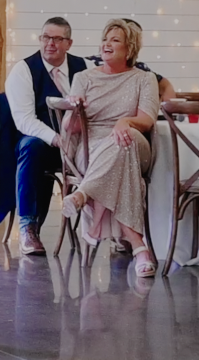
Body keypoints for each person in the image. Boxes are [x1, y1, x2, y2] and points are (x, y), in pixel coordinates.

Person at [60, 19, 160, 278]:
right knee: (119, 151)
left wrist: (124, 122)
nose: (106, 44)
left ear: (130, 49)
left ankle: (83, 194)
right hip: (92, 147)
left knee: (124, 140)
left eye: (115, 40)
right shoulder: (83, 78)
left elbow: (147, 121)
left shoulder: (144, 79)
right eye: (105, 39)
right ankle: (140, 249)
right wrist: (74, 109)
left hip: (134, 140)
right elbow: (72, 130)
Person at [4, 17, 92, 256]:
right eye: (45, 37)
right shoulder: (23, 70)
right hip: (41, 142)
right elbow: (24, 120)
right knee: (31, 147)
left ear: (69, 43)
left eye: (57, 38)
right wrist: (55, 138)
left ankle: (114, 230)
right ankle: (28, 227)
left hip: (78, 142)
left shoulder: (85, 67)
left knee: (113, 148)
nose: (50, 43)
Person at [85, 19, 176, 101]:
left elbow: (165, 86)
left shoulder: (141, 71)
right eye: (106, 39)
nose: (107, 43)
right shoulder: (89, 64)